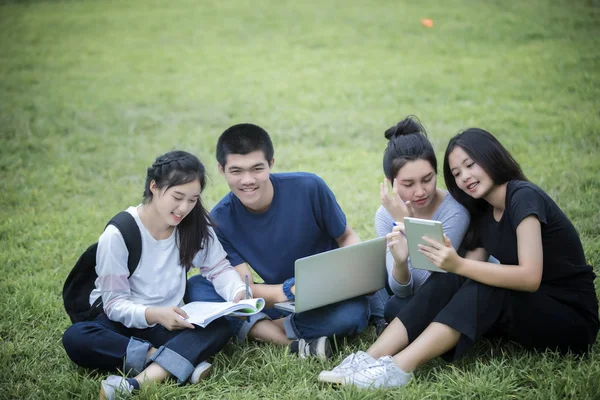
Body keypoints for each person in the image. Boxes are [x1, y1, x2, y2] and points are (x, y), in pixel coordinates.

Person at [319, 128, 599, 388]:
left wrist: (460, 264)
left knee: (482, 281)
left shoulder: (522, 197)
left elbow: (530, 277)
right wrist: (453, 264)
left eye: (470, 164)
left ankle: (399, 368)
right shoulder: (484, 212)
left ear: (492, 157)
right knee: (454, 277)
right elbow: (459, 274)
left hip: (570, 319)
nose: (464, 176)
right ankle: (369, 357)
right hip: (528, 313)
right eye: (456, 172)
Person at [62, 151, 249, 399]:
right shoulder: (118, 234)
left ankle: (136, 384)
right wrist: (153, 314)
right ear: (154, 187)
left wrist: (238, 293)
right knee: (76, 338)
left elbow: (217, 268)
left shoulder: (193, 224)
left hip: (168, 322)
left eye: (193, 199)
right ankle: (169, 360)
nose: (184, 208)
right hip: (119, 322)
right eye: (177, 197)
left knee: (221, 326)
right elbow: (115, 304)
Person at [185, 123, 370, 359]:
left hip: (328, 295)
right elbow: (244, 289)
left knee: (352, 314)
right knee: (197, 287)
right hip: (278, 300)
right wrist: (290, 290)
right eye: (236, 171)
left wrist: (358, 274)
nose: (247, 180)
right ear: (221, 170)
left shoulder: (309, 187)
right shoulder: (220, 220)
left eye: (257, 168)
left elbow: (346, 236)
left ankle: (257, 329)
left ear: (271, 164)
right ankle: (291, 342)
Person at [372, 116, 469, 327]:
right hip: (410, 295)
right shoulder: (384, 214)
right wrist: (399, 261)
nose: (420, 191)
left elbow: (426, 283)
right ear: (391, 182)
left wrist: (405, 222)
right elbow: (401, 289)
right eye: (408, 183)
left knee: (397, 307)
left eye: (428, 179)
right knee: (390, 298)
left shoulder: (455, 210)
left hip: (449, 291)